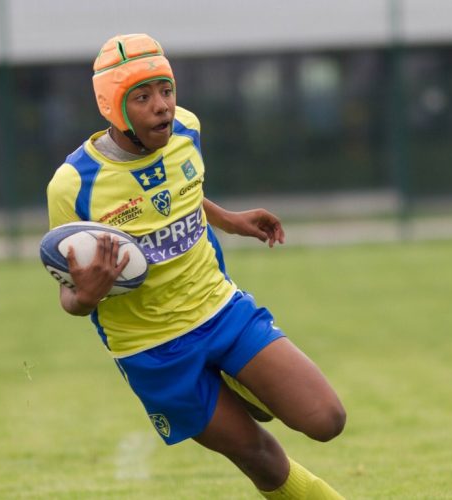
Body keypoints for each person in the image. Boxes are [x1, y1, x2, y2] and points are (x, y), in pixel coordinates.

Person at [46, 33, 347, 499]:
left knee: (327, 419)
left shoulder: (187, 129)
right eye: (142, 98)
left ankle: (235, 376)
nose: (161, 106)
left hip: (220, 310)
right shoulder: (73, 186)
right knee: (261, 459)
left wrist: (228, 219)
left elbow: (180, 194)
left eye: (166, 91)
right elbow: (69, 294)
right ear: (113, 108)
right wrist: (85, 297)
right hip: (152, 350)